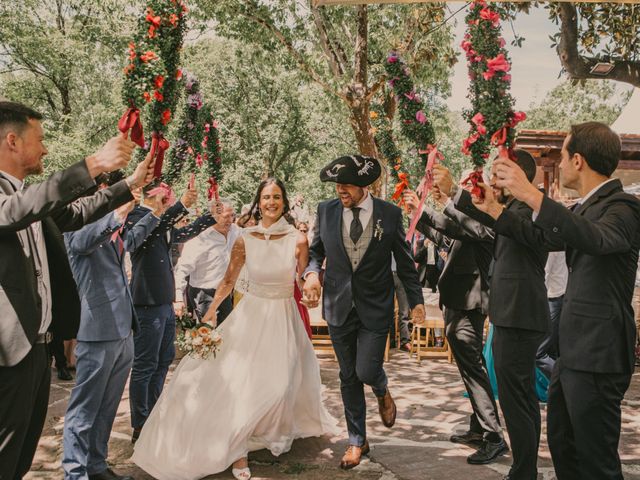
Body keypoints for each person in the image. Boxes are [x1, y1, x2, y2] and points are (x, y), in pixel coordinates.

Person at [132, 178, 338, 480]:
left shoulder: (298, 239)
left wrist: (311, 290)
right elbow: (228, 281)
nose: (271, 202)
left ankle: (260, 431)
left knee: (281, 383)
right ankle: (238, 448)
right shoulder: (245, 238)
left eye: (277, 197)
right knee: (245, 383)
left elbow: (301, 278)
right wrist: (210, 315)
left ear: (284, 201)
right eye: (266, 197)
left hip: (283, 316)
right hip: (251, 316)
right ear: (259, 201)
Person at [473, 122, 640, 480]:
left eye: (563, 157)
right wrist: (497, 211)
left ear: (578, 160)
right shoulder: (584, 209)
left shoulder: (623, 207)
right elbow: (541, 237)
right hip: (572, 353)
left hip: (599, 353)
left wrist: (531, 195)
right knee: (564, 448)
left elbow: (595, 239)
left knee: (596, 463)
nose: (560, 165)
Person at [0, 100, 148, 479]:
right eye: (41, 139)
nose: (46, 148)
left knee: (20, 456)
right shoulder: (15, 200)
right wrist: (94, 163)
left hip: (36, 349)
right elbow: (19, 210)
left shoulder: (29, 196)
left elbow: (78, 214)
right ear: (12, 141)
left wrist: (129, 185)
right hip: (6, 355)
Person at [303, 155, 425, 469]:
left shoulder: (389, 214)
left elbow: (406, 263)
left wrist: (416, 302)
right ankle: (357, 440)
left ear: (365, 185)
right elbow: (316, 252)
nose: (341, 189)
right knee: (347, 376)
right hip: (338, 305)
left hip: (375, 306)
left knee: (366, 371)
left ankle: (382, 389)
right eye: (337, 184)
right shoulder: (326, 211)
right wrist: (312, 275)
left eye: (347, 184)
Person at [433, 149, 549, 480]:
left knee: (518, 400)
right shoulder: (513, 210)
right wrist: (454, 194)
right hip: (510, 315)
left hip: (521, 315)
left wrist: (457, 191)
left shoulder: (530, 209)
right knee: (515, 399)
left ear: (517, 176)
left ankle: (524, 470)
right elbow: (488, 218)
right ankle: (523, 468)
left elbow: (495, 221)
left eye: (499, 175)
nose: (493, 182)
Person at [61, 168, 156, 480]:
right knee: (84, 409)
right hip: (96, 330)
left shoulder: (111, 227)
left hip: (123, 330)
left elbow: (130, 242)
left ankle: (97, 466)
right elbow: (81, 243)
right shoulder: (77, 224)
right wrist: (120, 211)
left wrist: (157, 212)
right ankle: (75, 473)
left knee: (107, 407)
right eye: (110, 189)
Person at [403, 185, 507, 465]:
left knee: (473, 369)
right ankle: (478, 428)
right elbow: (444, 237)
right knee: (470, 368)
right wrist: (418, 215)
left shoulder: (487, 223)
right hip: (456, 301)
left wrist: (427, 209)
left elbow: (458, 228)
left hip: (470, 304)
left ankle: (494, 437)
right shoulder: (469, 227)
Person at [126, 183, 220, 443]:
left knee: (163, 360)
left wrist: (210, 216)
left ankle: (154, 414)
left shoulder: (162, 223)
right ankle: (140, 423)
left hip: (165, 304)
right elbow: (152, 230)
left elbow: (184, 232)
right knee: (145, 365)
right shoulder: (137, 217)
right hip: (146, 304)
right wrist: (181, 205)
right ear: (151, 195)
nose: (168, 198)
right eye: (164, 194)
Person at [174, 199, 240, 323]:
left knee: (227, 330)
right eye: (226, 216)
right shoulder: (200, 238)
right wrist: (178, 297)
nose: (230, 220)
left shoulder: (236, 231)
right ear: (213, 215)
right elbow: (182, 269)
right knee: (209, 334)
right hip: (203, 293)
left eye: (232, 215)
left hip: (224, 292)